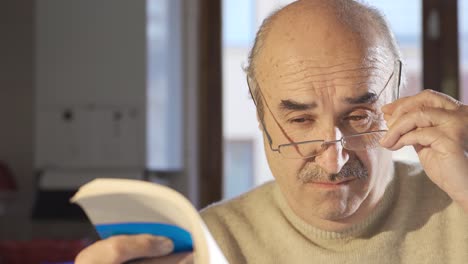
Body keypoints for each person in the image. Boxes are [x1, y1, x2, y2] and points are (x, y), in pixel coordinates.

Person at [76, 0, 468, 263]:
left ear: (396, 99)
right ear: (261, 115)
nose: (334, 161)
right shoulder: (212, 246)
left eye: (359, 117)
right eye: (300, 121)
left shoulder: (459, 201)